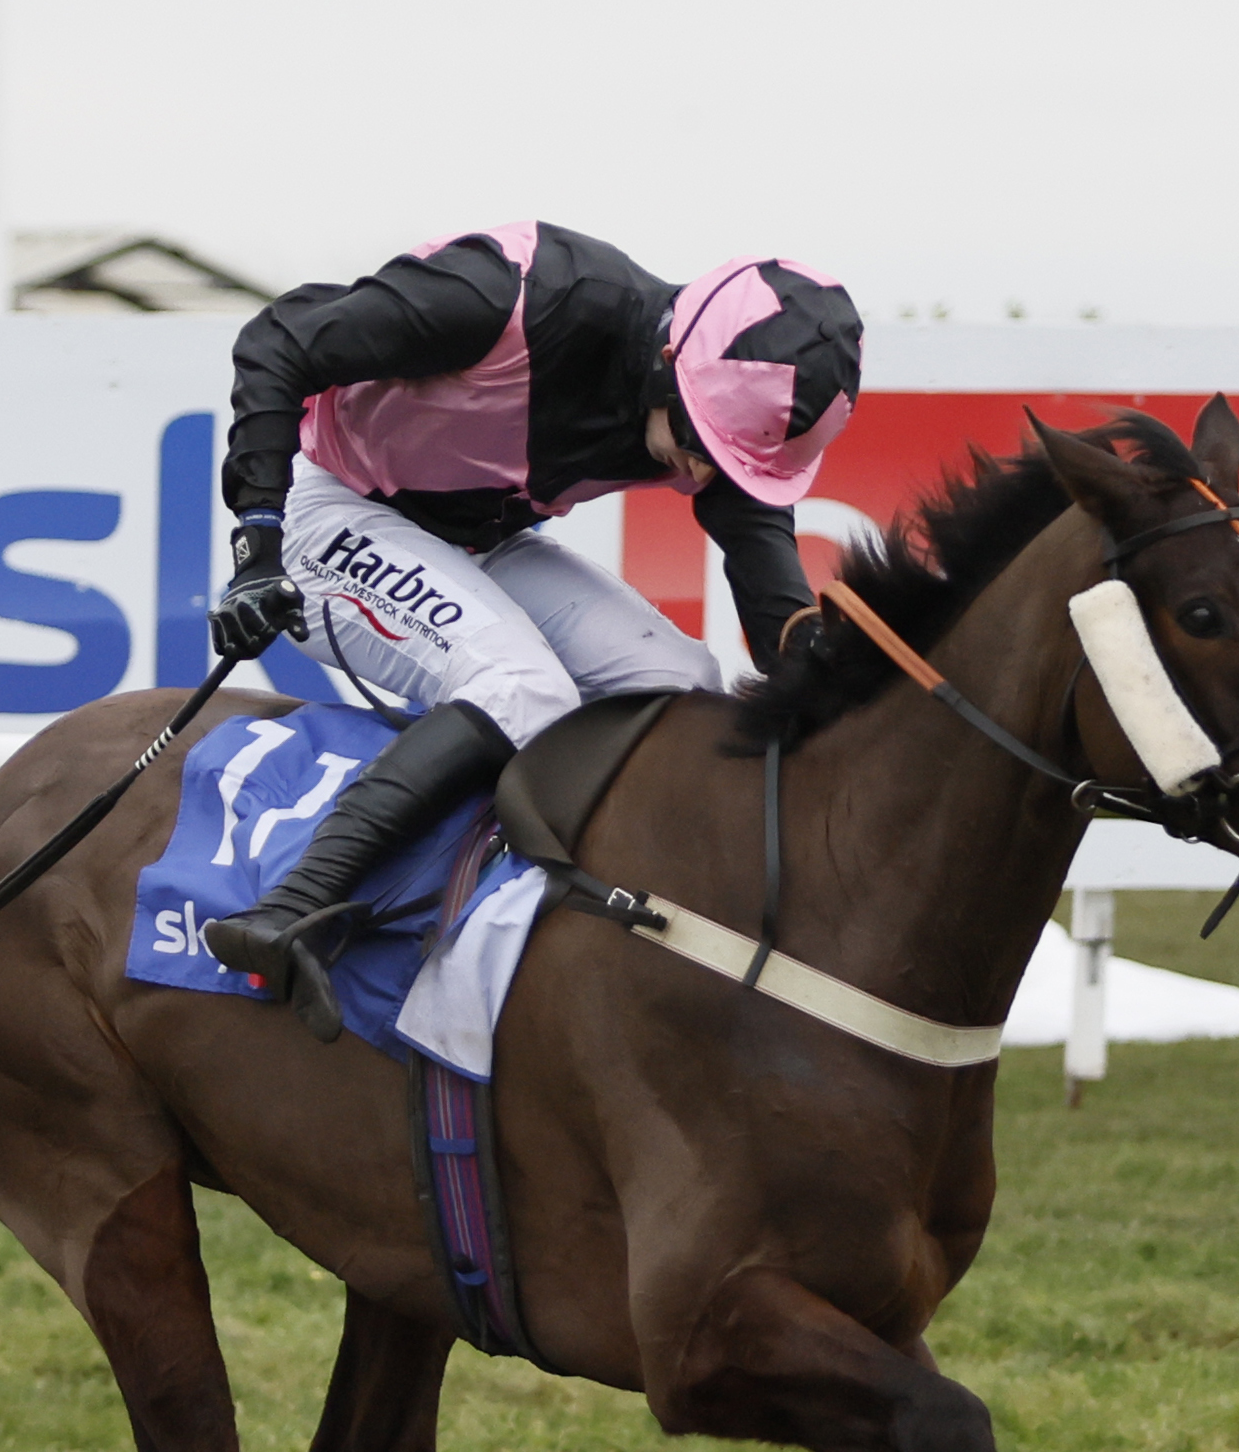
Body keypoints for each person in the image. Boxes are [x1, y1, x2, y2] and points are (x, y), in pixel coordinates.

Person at [197, 219, 862, 1036]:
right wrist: (256, 543)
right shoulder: (500, 297)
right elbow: (276, 339)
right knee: (520, 685)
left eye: (732, 466)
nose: (699, 475)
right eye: (701, 444)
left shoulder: (704, 402)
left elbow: (772, 605)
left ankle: (594, 939)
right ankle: (296, 908)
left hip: (477, 542)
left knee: (683, 683)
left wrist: (832, 674)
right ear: (668, 363)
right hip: (325, 509)